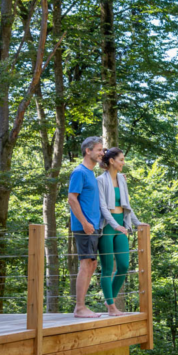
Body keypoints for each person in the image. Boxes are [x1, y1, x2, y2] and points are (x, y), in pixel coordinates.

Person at [97, 147, 143, 316]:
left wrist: (137, 223)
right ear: (112, 161)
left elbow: (126, 205)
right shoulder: (100, 180)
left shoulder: (122, 180)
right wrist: (114, 225)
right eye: (121, 159)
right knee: (107, 268)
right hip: (108, 227)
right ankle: (111, 307)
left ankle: (111, 298)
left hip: (121, 225)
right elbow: (102, 207)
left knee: (123, 265)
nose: (124, 162)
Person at [68, 136, 104, 318]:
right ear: (87, 151)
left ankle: (82, 306)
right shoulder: (79, 172)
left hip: (94, 226)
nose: (102, 153)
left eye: (102, 150)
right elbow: (72, 198)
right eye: (99, 150)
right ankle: (80, 307)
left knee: (92, 264)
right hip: (84, 226)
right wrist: (84, 222)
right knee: (85, 264)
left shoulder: (91, 173)